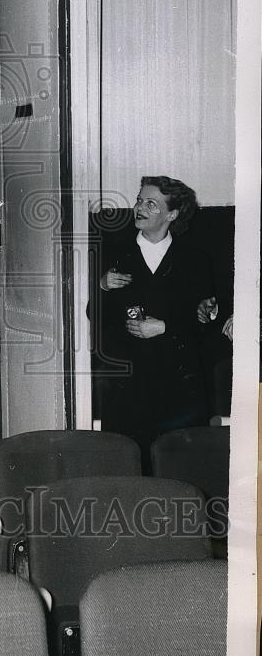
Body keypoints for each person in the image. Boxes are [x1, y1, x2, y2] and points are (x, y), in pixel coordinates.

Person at [94, 176, 214, 467]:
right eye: (138, 200)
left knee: (179, 465)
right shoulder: (112, 252)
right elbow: (93, 315)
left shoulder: (195, 259)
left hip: (179, 382)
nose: (140, 208)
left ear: (172, 214)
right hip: (127, 381)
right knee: (129, 464)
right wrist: (103, 287)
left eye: (151, 203)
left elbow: (207, 321)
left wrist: (165, 327)